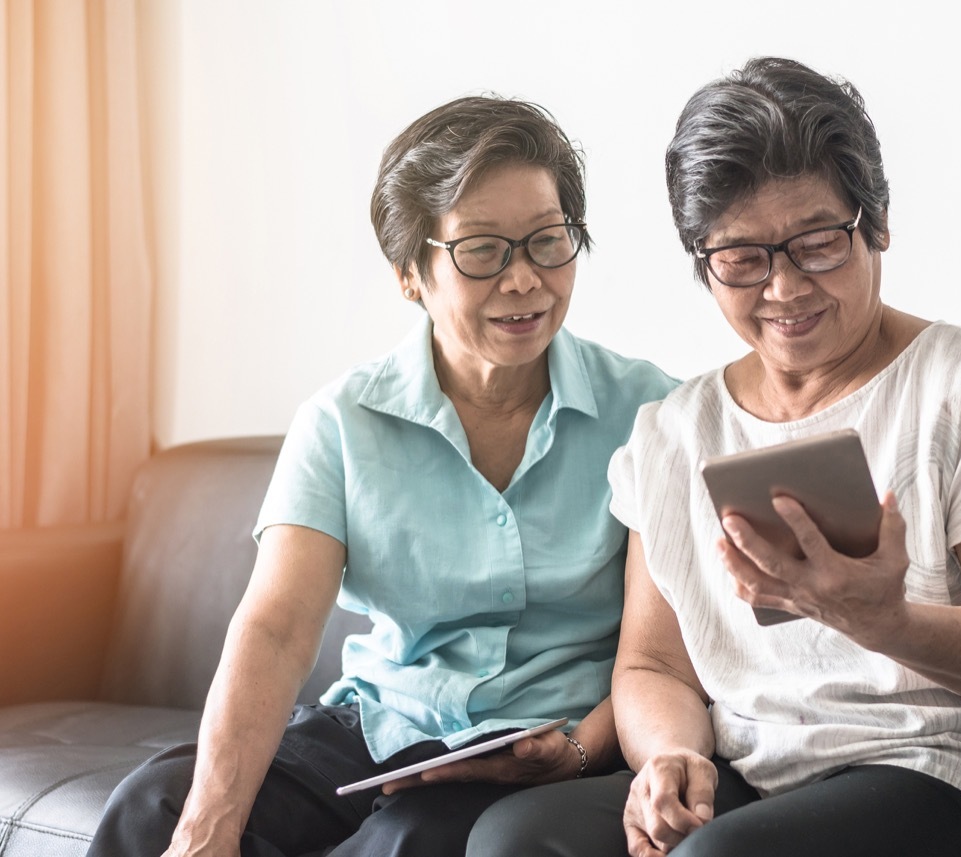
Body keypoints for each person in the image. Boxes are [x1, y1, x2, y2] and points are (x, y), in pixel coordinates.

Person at [465, 57, 961, 857]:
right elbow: (654, 665)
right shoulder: (676, 429)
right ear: (703, 263)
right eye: (743, 259)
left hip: (938, 768)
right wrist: (671, 758)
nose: (786, 287)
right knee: (515, 837)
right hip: (752, 769)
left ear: (878, 224)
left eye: (819, 243)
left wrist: (885, 621)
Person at [85, 95, 676, 857]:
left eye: (547, 241)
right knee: (156, 807)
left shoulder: (650, 410)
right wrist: (209, 826)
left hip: (556, 740)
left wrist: (585, 748)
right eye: (483, 250)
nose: (526, 279)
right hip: (382, 724)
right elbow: (275, 628)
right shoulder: (341, 421)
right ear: (410, 274)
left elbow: (658, 650)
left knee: (408, 842)